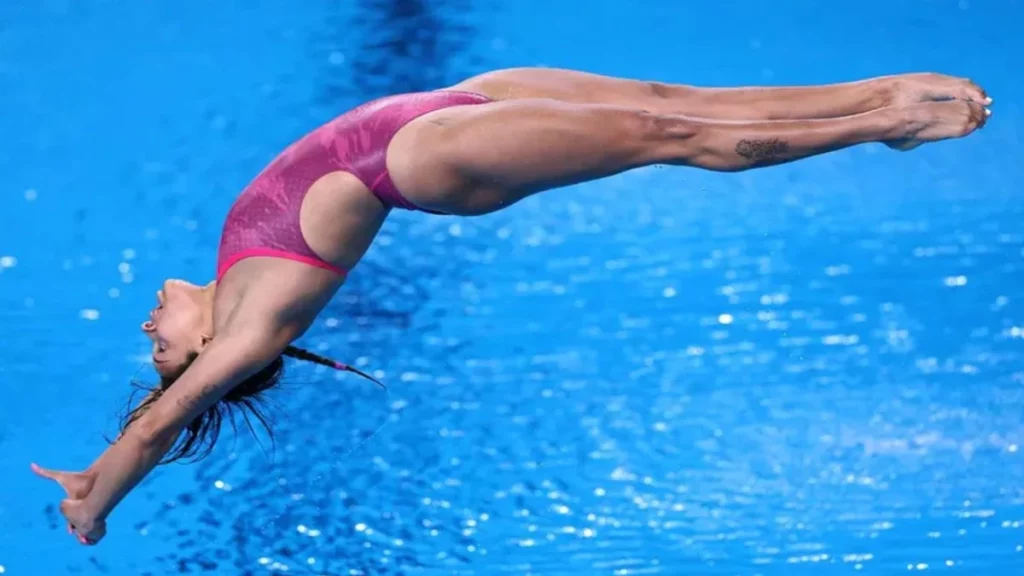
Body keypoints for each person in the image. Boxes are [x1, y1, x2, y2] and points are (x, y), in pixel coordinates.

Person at [32, 67, 990, 545]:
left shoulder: (231, 270)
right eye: (162, 352)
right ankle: (880, 125)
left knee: (671, 98)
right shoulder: (251, 324)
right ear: (204, 355)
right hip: (432, 158)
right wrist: (99, 490)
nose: (150, 329)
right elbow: (158, 429)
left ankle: (870, 97)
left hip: (454, 103)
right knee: (671, 135)